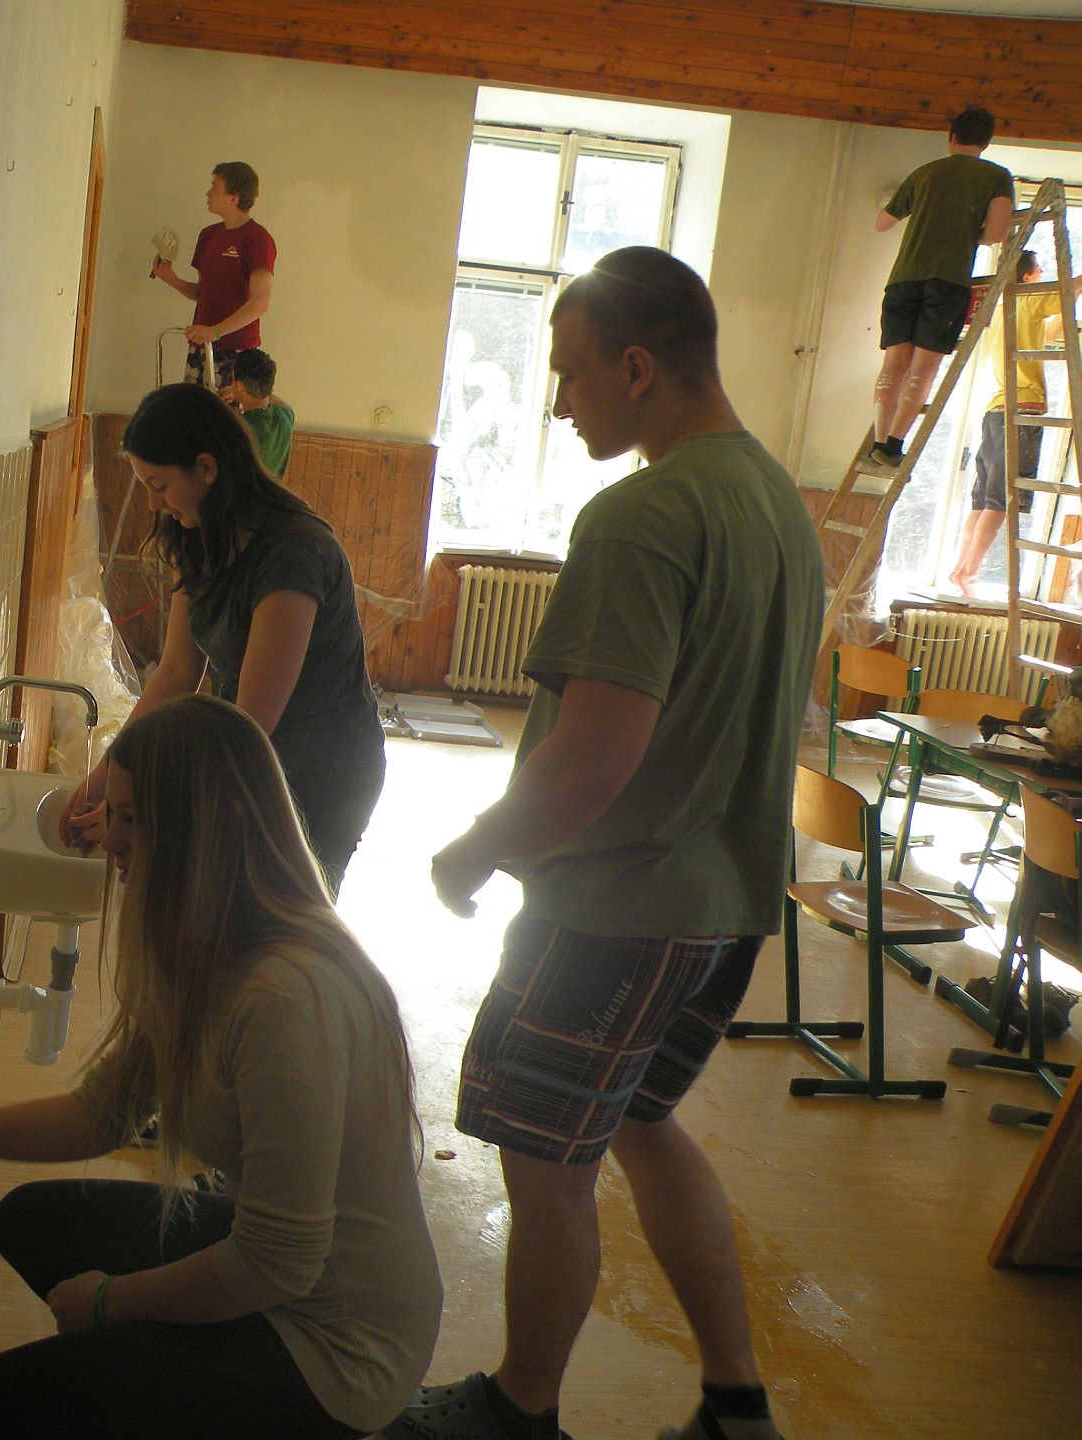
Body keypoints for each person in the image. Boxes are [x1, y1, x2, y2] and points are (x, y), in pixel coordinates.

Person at [398, 248, 822, 1440]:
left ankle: (518, 1410)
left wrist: (473, 849)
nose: (559, 402)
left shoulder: (643, 516)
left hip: (614, 912)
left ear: (637, 369)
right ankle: (735, 1400)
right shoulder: (778, 504)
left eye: (570, 374)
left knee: (549, 1165)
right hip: (727, 907)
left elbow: (593, 757)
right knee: (640, 1121)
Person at [0, 695, 443, 1440]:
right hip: (294, 1278)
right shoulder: (213, 947)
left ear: (203, 830)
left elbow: (279, 1263)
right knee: (33, 1223)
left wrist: (110, 1301)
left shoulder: (285, 999)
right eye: (110, 813)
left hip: (340, 1348)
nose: (108, 839)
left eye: (130, 818)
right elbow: (103, 1112)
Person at [63, 383, 386, 891]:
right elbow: (176, 671)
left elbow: (252, 723)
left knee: (279, 912)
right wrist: (107, 776)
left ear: (207, 468)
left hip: (322, 767)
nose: (152, 503)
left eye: (159, 485)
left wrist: (142, 812)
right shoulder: (198, 534)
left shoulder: (293, 554)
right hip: (252, 749)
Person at [865, 106, 1015, 469]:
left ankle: (879, 441)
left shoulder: (924, 173)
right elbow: (997, 233)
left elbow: (882, 224)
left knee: (893, 364)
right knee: (923, 368)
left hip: (903, 279)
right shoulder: (996, 176)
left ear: (952, 137)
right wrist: (968, 234)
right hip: (948, 280)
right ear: (986, 143)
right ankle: (893, 446)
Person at [946, 249, 1068, 595]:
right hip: (1020, 410)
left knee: (983, 499)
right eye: (1040, 271)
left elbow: (1048, 333)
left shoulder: (1000, 312)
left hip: (995, 412)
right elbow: (1068, 288)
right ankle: (969, 572)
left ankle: (960, 567)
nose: (1042, 275)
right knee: (1002, 503)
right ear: (1028, 278)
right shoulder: (1028, 298)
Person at [153, 161, 275, 390]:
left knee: (224, 412)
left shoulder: (258, 239)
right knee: (194, 408)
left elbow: (260, 303)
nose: (207, 194)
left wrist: (215, 331)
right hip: (202, 344)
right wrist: (172, 280)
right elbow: (203, 293)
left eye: (215, 188)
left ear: (234, 198)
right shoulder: (208, 235)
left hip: (236, 350)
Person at [225, 347, 295, 477]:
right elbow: (277, 401)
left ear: (240, 385)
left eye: (233, 379)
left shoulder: (240, 428)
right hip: (271, 490)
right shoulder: (286, 416)